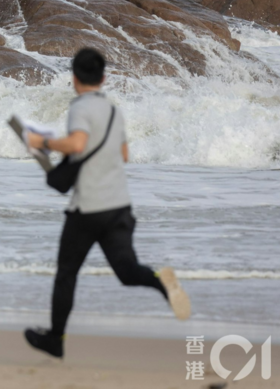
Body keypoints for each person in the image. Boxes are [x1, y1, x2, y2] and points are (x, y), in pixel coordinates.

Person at [23, 48, 190, 359]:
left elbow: (78, 144)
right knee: (127, 271)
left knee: (66, 273)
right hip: (119, 206)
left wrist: (41, 142)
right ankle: (161, 282)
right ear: (104, 77)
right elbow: (123, 155)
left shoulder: (80, 106)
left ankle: (56, 339)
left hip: (88, 209)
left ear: (74, 79)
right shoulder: (114, 110)